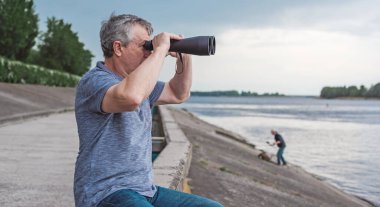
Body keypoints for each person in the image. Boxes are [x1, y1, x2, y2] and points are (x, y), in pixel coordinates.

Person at [74, 14, 223, 207]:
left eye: (149, 46)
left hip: (144, 189)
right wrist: (159, 50)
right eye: (144, 46)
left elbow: (179, 93)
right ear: (118, 48)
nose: (147, 52)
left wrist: (183, 56)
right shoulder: (95, 81)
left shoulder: (141, 84)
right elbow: (131, 97)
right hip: (104, 192)